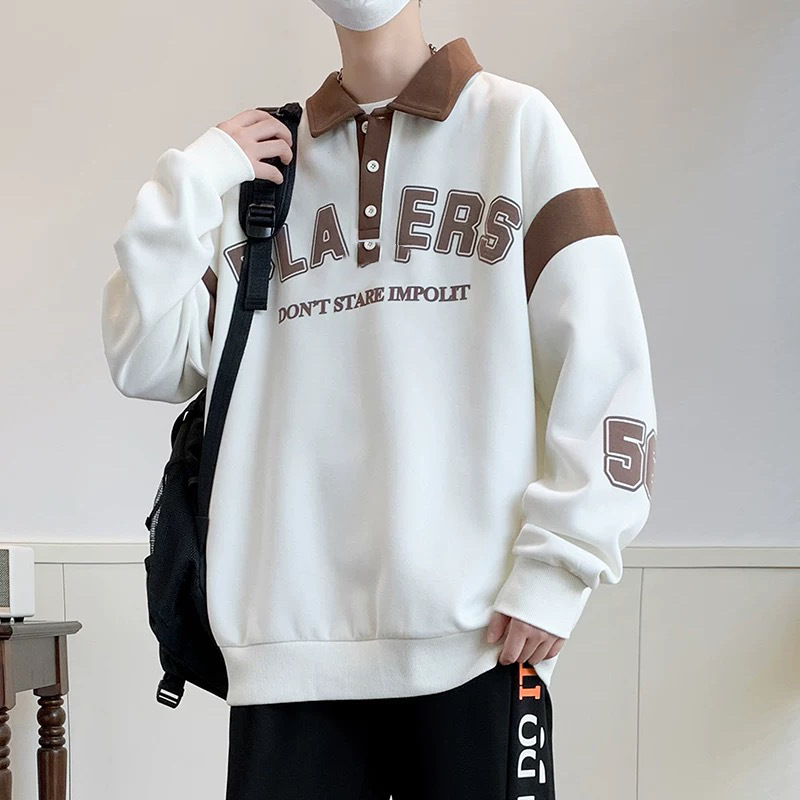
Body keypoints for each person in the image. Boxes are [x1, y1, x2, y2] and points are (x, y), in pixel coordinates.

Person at [101, 0, 658, 796]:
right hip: (288, 649)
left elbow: (606, 367)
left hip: (478, 641)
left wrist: (561, 566)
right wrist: (191, 182)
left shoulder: (515, 127)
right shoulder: (265, 172)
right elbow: (143, 359)